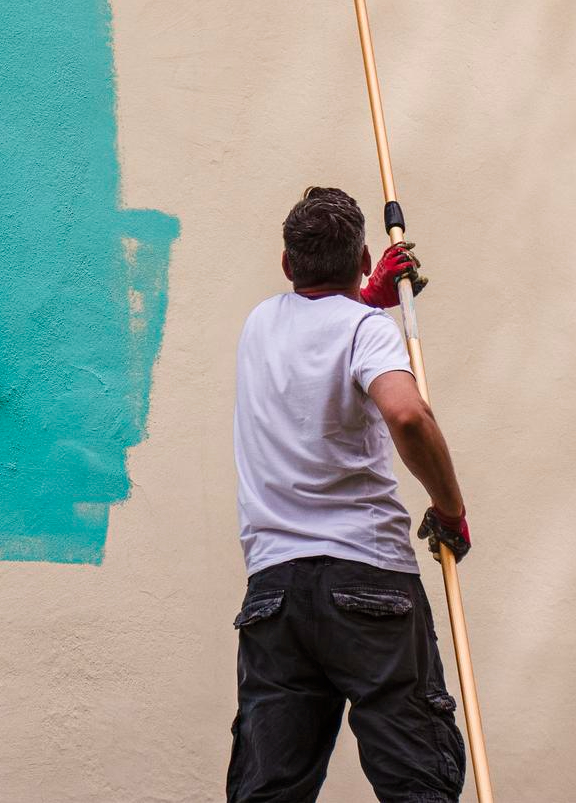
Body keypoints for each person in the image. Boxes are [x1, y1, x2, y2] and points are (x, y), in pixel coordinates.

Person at [227, 186, 473, 803]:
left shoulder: (260, 325)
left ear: (287, 264)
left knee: (268, 791)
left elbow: (316, 328)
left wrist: (369, 299)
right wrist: (450, 510)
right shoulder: (368, 328)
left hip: (275, 594)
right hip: (369, 583)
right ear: (364, 257)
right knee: (416, 779)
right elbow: (408, 416)